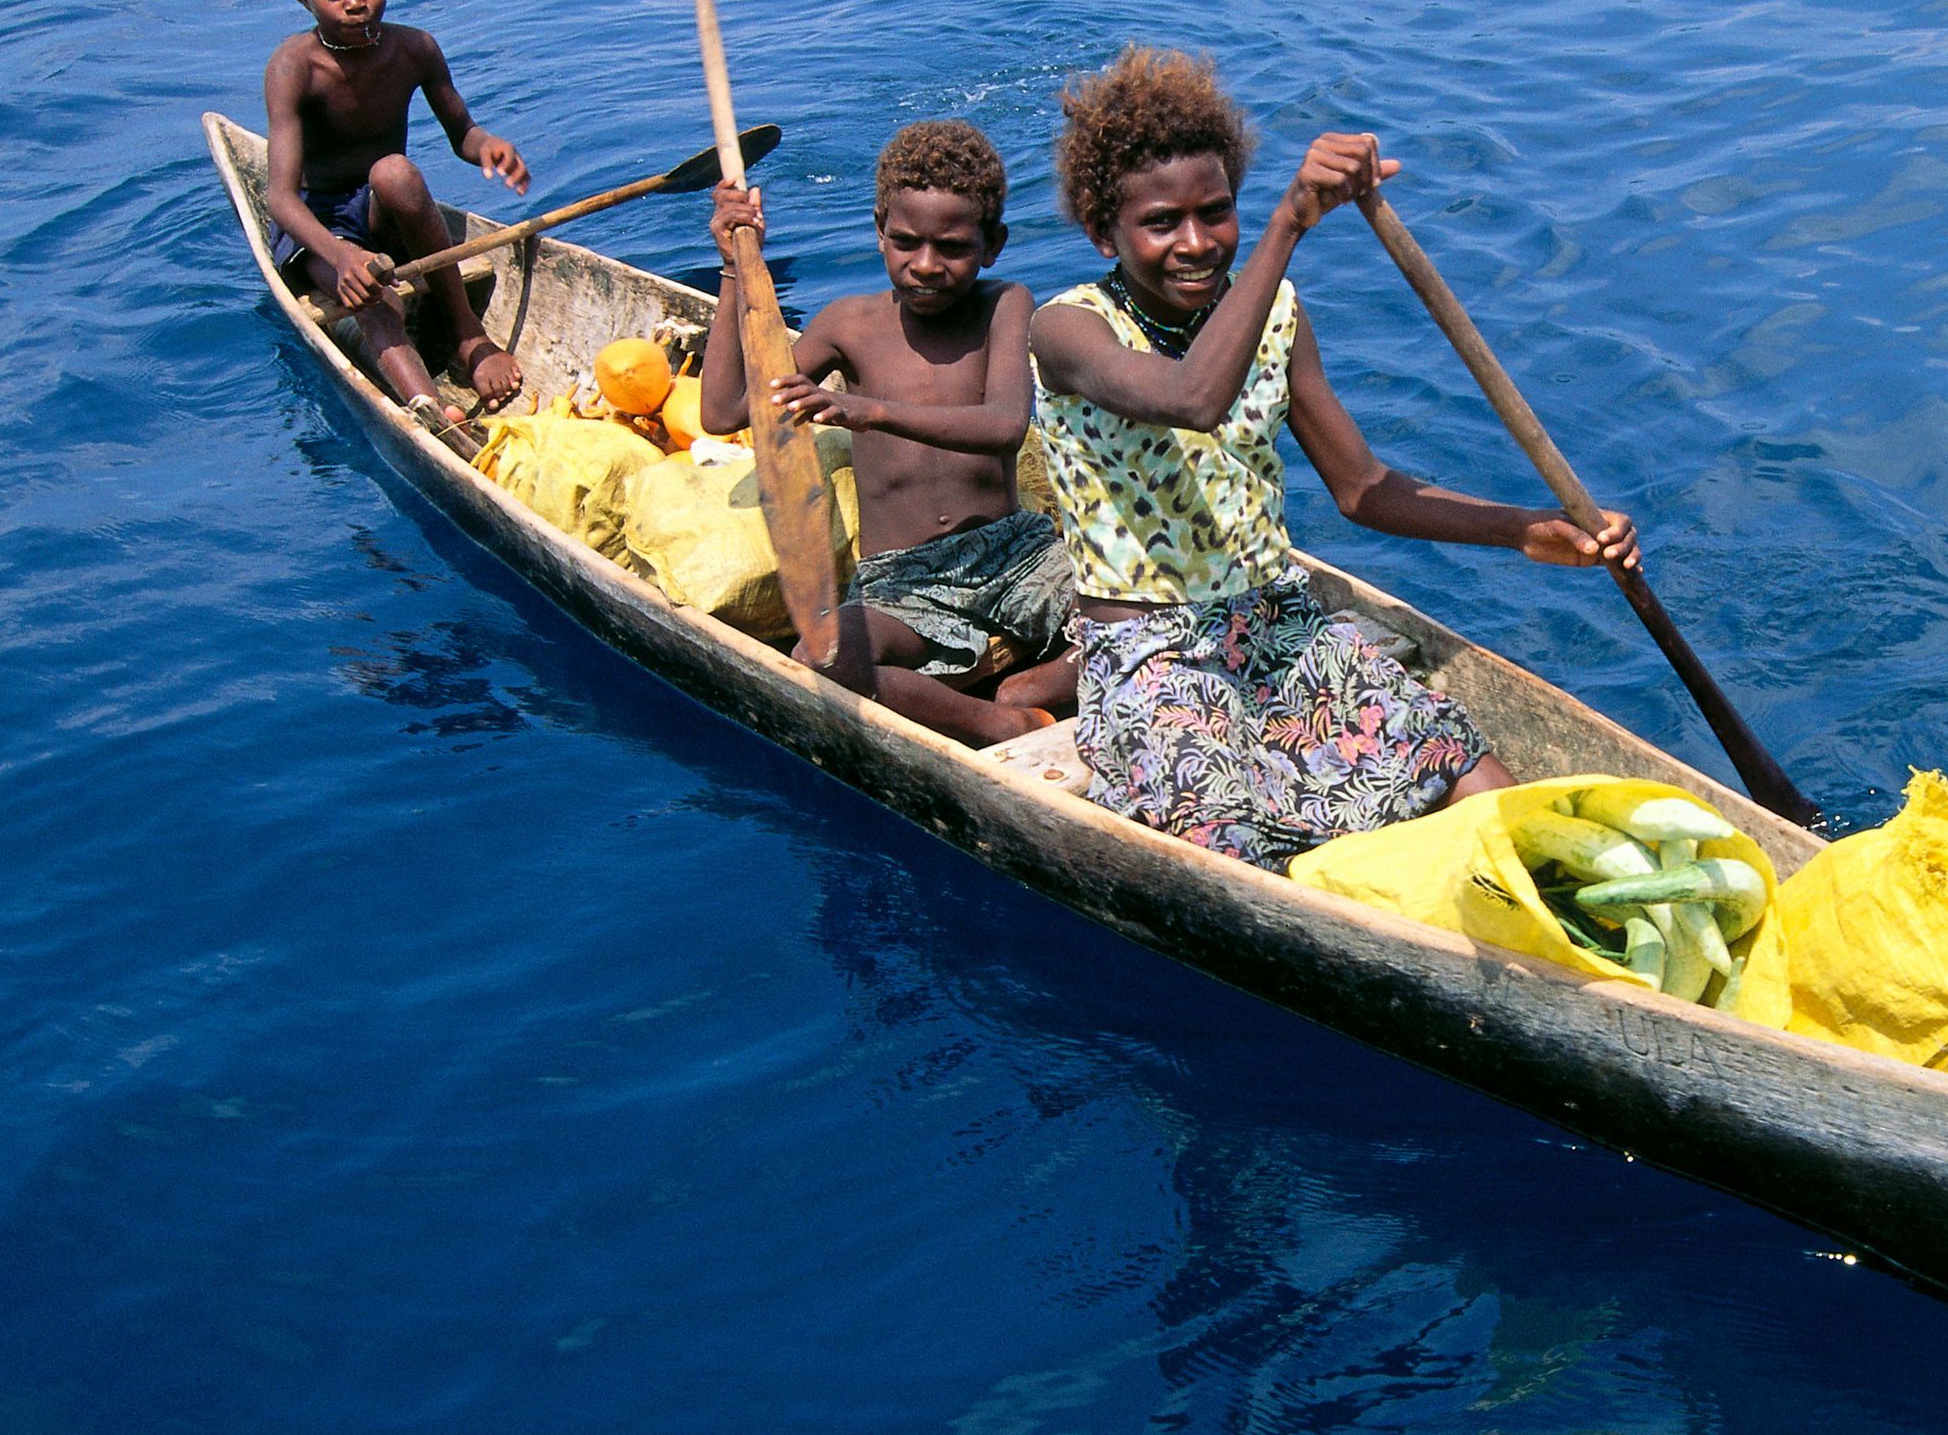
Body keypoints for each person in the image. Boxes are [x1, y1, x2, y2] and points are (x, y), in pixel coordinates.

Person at [1029, 46, 1639, 869]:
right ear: (1105, 231)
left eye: (1217, 212)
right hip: (1153, 656)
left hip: (1276, 622)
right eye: (1161, 223)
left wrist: (1526, 530)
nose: (1197, 242)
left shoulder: (1274, 312)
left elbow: (1364, 488)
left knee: (1460, 767)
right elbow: (1190, 400)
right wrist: (1289, 223)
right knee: (1233, 841)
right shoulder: (1068, 330)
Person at [701, 121, 1079, 746]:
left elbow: (1006, 426)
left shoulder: (1004, 303)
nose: (926, 265)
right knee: (822, 659)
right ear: (879, 231)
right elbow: (723, 413)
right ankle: (999, 717)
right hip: (903, 581)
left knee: (1135, 603)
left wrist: (866, 411)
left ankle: (1027, 684)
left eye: (952, 247)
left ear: (993, 244)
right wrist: (735, 269)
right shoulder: (848, 323)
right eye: (905, 242)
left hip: (1014, 554)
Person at [260, 0, 529, 438]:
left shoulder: (414, 49)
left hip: (380, 207)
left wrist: (488, 147)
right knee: (371, 291)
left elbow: (463, 135)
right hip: (319, 228)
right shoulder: (295, 66)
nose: (354, 3)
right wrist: (341, 256)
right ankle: (430, 411)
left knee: (396, 172)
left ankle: (467, 335)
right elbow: (279, 199)